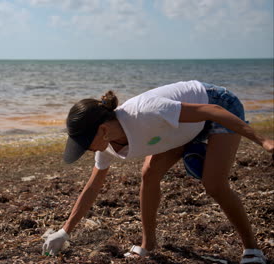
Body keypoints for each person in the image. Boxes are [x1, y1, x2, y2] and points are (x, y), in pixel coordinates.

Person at [42, 80, 273, 264]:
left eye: (85, 144)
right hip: (178, 127)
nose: (84, 151)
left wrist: (263, 141)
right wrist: (64, 232)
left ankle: (252, 249)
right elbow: (92, 188)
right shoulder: (108, 146)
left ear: (103, 130)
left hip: (218, 105)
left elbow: (211, 110)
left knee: (214, 184)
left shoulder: (147, 113)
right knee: (149, 173)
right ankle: (148, 244)